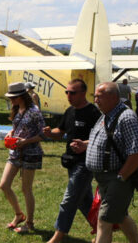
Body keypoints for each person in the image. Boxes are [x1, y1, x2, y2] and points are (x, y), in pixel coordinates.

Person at [70, 82, 138, 243]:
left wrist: (121, 177)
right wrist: (85, 144)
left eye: (99, 96)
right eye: (95, 96)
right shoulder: (106, 115)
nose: (95, 100)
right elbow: (107, 140)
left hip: (118, 178)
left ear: (113, 97)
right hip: (105, 179)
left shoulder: (126, 117)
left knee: (104, 220)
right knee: (121, 216)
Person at [42, 79, 102, 243]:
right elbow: (59, 132)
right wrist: (49, 133)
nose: (69, 95)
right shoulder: (69, 111)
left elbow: (102, 138)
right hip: (71, 162)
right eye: (67, 92)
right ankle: (102, 230)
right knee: (84, 202)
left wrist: (85, 145)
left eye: (72, 92)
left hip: (86, 163)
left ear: (83, 93)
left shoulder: (93, 113)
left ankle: (57, 237)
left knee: (69, 200)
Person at [0, 82, 45, 234]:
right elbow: (17, 127)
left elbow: (43, 134)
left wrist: (26, 141)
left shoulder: (34, 111)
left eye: (13, 98)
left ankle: (30, 223)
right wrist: (11, 133)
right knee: (4, 185)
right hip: (15, 152)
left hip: (31, 153)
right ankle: (19, 214)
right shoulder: (17, 109)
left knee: (26, 189)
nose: (10, 100)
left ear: (21, 96)